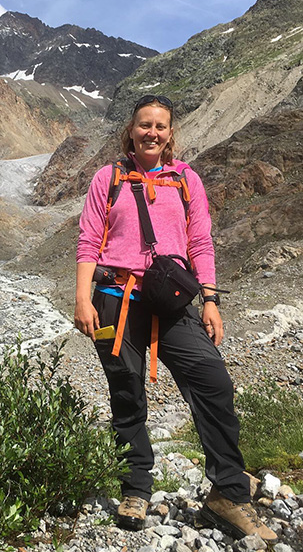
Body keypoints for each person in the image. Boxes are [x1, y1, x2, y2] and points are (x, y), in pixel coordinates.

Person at [74, 95, 277, 542]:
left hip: (171, 301)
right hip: (114, 297)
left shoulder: (186, 179)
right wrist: (82, 299)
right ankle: (135, 488)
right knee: (126, 393)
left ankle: (227, 490)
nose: (152, 132)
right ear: (130, 130)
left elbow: (200, 244)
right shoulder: (107, 178)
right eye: (144, 124)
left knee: (213, 381)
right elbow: (89, 241)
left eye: (160, 126)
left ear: (170, 134)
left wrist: (210, 301)